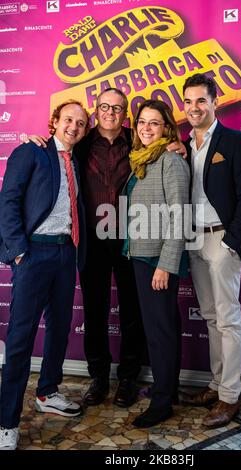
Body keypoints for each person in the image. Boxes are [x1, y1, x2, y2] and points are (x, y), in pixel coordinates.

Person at [25, 89, 186, 409]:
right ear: (96, 111)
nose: (110, 112)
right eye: (104, 107)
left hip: (132, 240)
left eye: (117, 108)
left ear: (126, 114)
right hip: (92, 239)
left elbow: (170, 162)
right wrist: (37, 141)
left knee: (133, 312)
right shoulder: (80, 143)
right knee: (95, 312)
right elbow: (55, 149)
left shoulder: (139, 140)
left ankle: (128, 377)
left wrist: (180, 145)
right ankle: (98, 376)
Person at [0, 100, 90, 450]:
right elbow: (8, 202)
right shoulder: (31, 151)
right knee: (21, 339)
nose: (74, 127)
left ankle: (47, 391)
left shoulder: (75, 162)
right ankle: (7, 421)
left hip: (65, 252)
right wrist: (20, 251)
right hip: (33, 254)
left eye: (81, 123)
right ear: (54, 121)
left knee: (59, 327)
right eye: (68, 120)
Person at [180, 74, 241, 427]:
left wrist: (231, 241)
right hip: (194, 240)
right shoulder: (182, 145)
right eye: (188, 101)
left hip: (223, 240)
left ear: (215, 102)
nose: (194, 108)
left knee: (228, 319)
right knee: (212, 316)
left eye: (201, 100)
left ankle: (230, 397)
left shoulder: (235, 141)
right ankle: (217, 386)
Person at [124, 99, 190, 428]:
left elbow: (180, 217)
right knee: (160, 328)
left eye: (154, 122)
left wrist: (166, 264)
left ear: (166, 127)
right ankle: (169, 389)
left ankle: (162, 403)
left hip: (156, 260)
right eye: (142, 123)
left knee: (159, 331)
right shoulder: (141, 160)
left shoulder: (170, 161)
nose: (147, 128)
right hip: (140, 255)